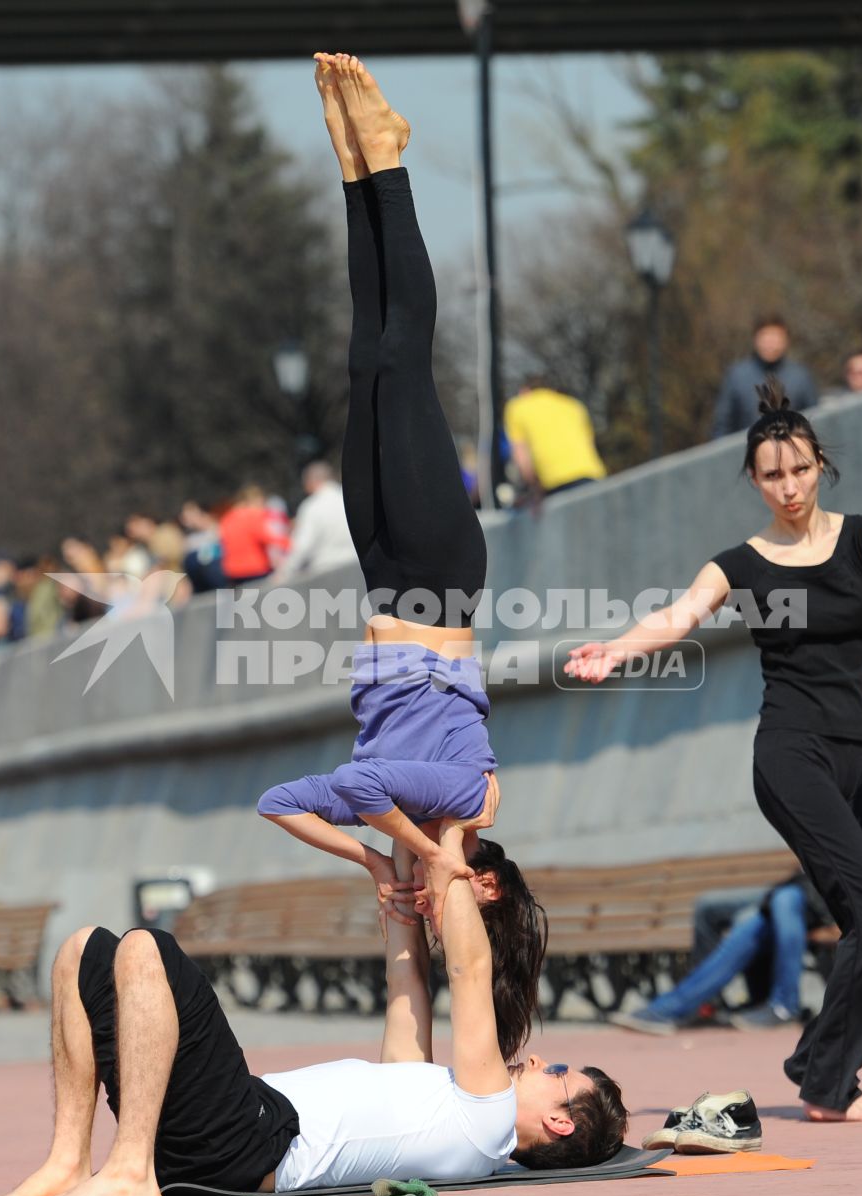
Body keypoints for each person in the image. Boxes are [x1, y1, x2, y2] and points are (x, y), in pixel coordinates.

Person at [257, 54, 546, 1063]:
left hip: (387, 578)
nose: (423, 901)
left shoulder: (399, 822)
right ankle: (391, 166)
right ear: (486, 885)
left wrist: (375, 869)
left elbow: (281, 800)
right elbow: (373, 775)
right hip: (439, 571)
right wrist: (436, 859)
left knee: (363, 356)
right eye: (449, 902)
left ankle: (355, 171)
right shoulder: (472, 798)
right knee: (401, 353)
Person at [567, 380, 862, 1122]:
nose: (789, 486)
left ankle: (815, 1059)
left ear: (819, 463)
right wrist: (616, 649)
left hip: (857, 760)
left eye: (799, 469)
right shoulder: (742, 562)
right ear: (754, 479)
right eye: (773, 474)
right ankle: (830, 1085)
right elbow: (680, 615)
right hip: (791, 756)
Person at [0, 817, 627, 1196]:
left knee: (150, 949)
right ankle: (70, 1159)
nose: (541, 1061)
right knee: (84, 951)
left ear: (558, 1120)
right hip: (225, 1133)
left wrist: (455, 838)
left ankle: (128, 1170)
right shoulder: (443, 1104)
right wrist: (406, 850)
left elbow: (469, 969)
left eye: (561, 1073)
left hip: (250, 1140)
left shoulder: (487, 1123)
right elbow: (406, 972)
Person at [609, 874, 820, 1034]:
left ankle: (784, 1006)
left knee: (751, 918)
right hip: (801, 881)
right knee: (707, 906)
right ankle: (706, 1005)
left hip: (824, 892)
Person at [504, 376, 608, 500]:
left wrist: (534, 488)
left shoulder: (517, 407)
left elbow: (521, 456)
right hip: (592, 475)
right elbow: (590, 444)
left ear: (524, 391)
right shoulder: (573, 405)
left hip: (554, 482)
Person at [713, 316, 819, 438]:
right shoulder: (736, 376)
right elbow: (722, 425)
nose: (770, 343)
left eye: (776, 337)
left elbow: (814, 419)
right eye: (765, 337)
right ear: (755, 339)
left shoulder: (801, 376)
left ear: (786, 340)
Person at [275, 460, 356, 580]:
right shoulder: (349, 498)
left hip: (327, 571)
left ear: (311, 482)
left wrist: (285, 571)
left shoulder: (311, 506)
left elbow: (303, 545)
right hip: (356, 565)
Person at [217, 486, 289, 586]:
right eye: (261, 502)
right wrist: (292, 545)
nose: (263, 507)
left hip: (233, 571)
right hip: (255, 569)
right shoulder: (253, 515)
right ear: (253, 500)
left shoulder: (226, 519)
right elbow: (269, 538)